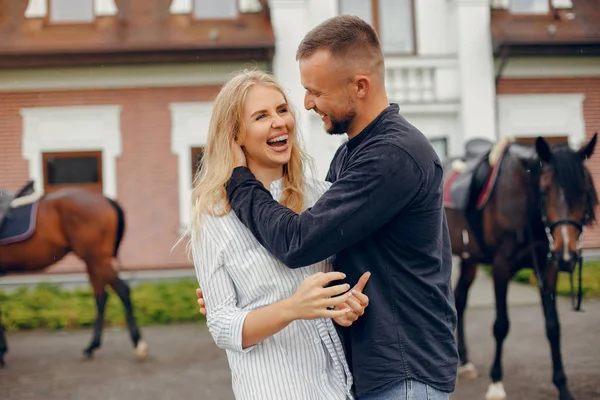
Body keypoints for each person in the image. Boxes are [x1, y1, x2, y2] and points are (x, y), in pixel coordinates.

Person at [204, 15, 458, 400]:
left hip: (405, 373)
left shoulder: (392, 156)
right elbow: (328, 257)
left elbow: (300, 241)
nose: (306, 105)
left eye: (316, 92)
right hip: (365, 374)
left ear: (360, 86)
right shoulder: (350, 158)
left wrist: (239, 181)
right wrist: (227, 283)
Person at [187, 69, 371, 400]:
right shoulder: (214, 216)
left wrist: (344, 308)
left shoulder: (323, 196)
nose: (279, 122)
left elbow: (334, 290)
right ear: (235, 135)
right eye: (261, 116)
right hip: (272, 387)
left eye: (282, 110)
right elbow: (223, 326)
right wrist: (292, 308)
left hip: (336, 388)